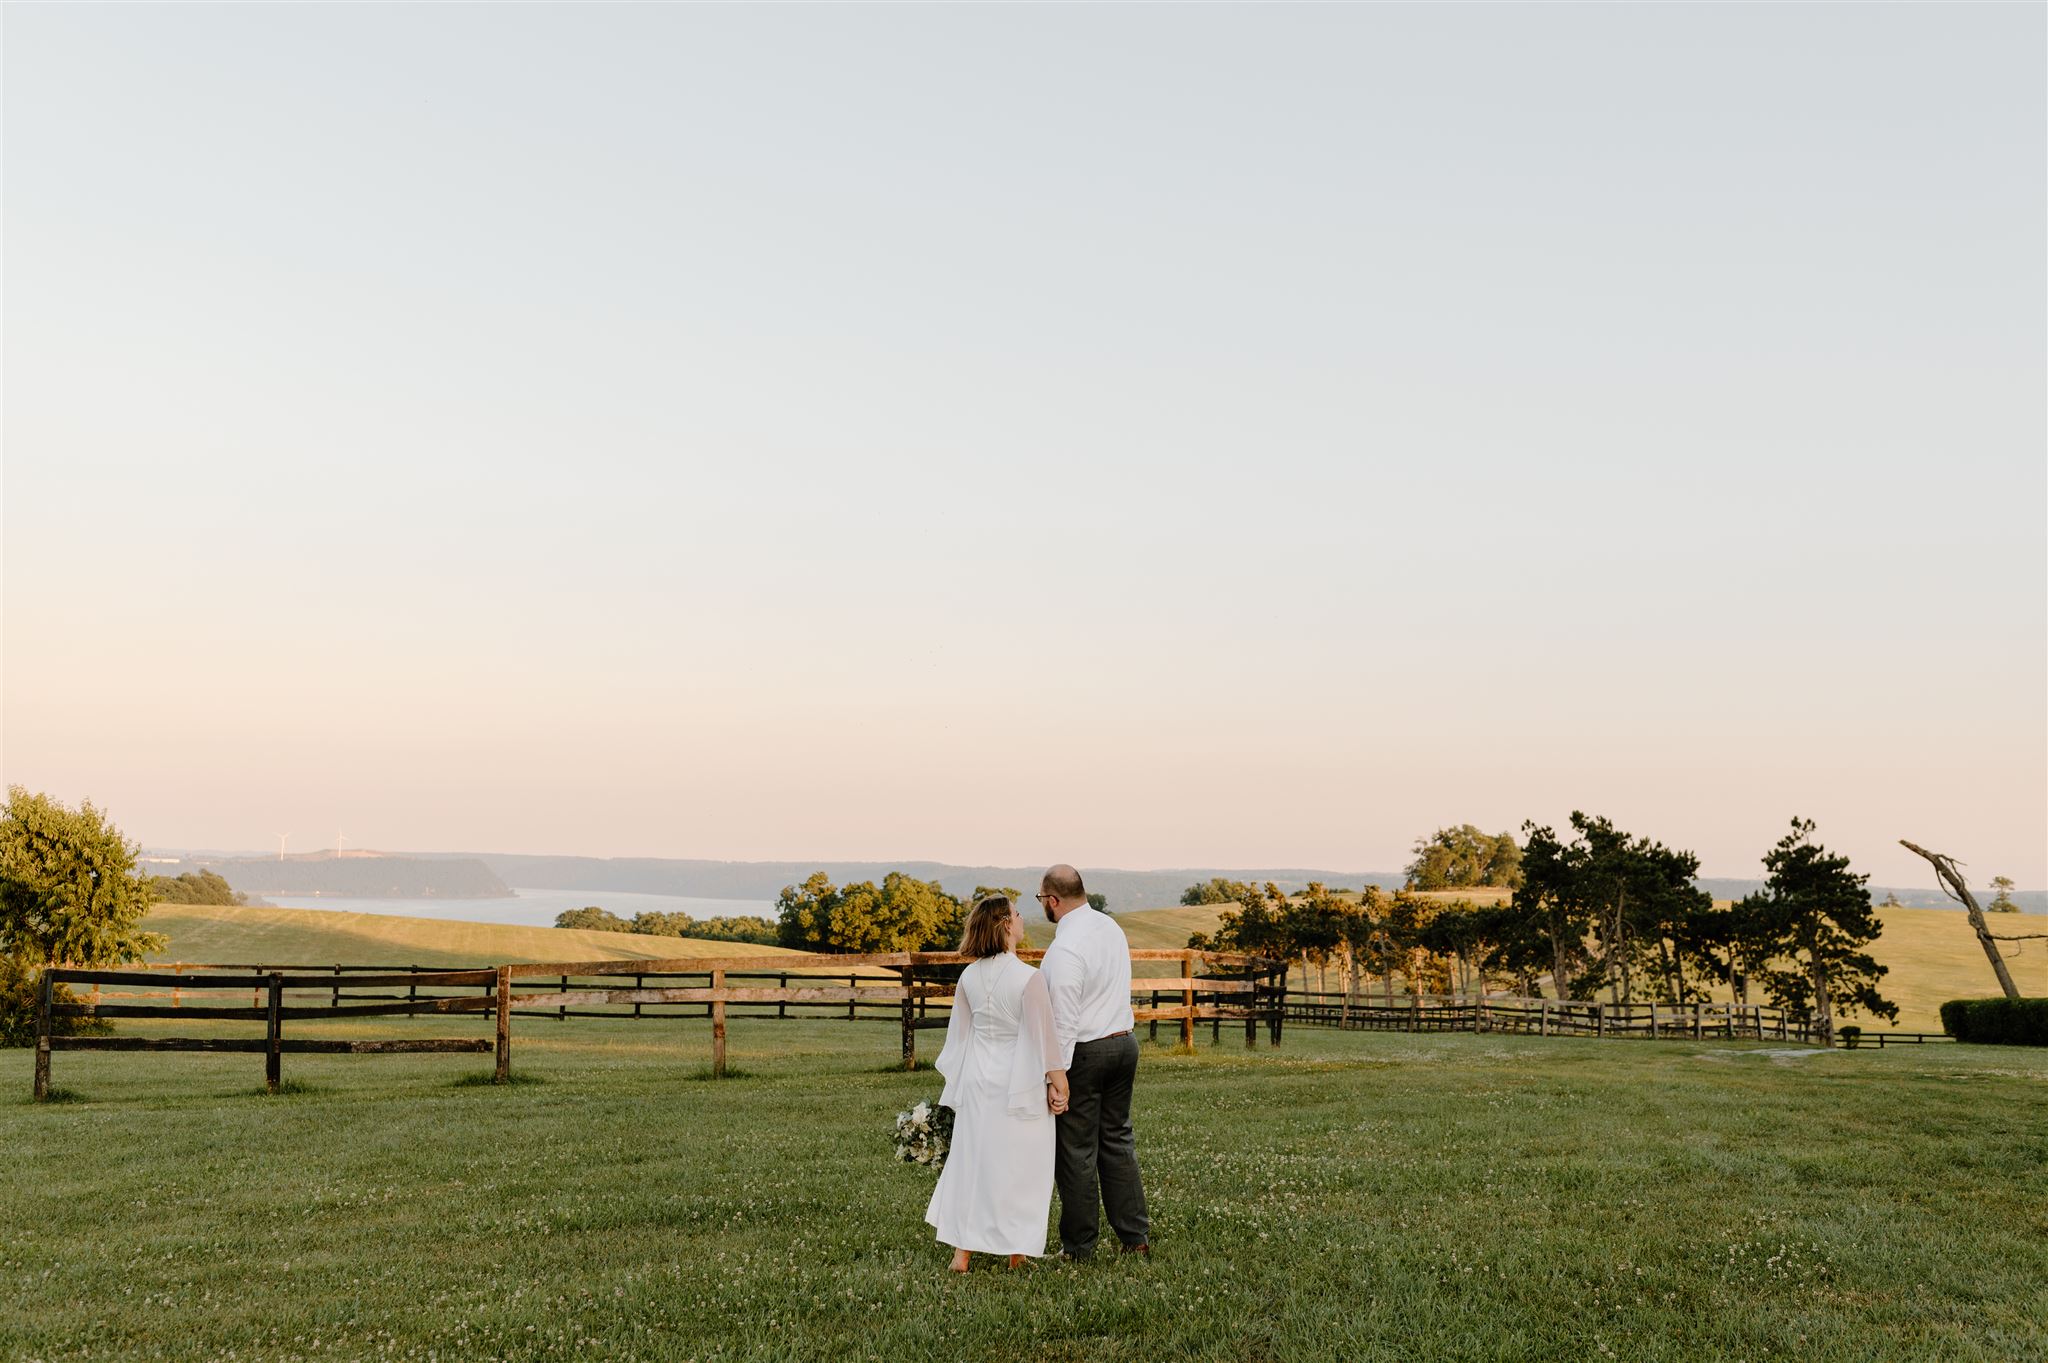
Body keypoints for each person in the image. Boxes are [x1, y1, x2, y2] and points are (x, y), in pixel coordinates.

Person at [925, 894, 1071, 1272]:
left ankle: (962, 1255)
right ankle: (1016, 1252)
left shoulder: (968, 976)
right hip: (1018, 1083)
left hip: (977, 1081)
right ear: (1006, 925)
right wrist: (1060, 1084)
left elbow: (959, 1037)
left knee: (974, 1161)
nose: (1022, 919)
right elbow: (1045, 1040)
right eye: (1018, 914)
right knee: (1022, 1166)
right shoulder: (1029, 977)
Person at [1037, 864, 1150, 1259]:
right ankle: (1135, 1238)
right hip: (1124, 1044)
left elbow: (1065, 1019)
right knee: (1118, 1141)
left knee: (1076, 1151)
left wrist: (1059, 1075)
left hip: (1085, 1050)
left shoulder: (1065, 948)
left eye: (1041, 900)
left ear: (1053, 900)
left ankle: (1079, 1247)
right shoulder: (1110, 928)